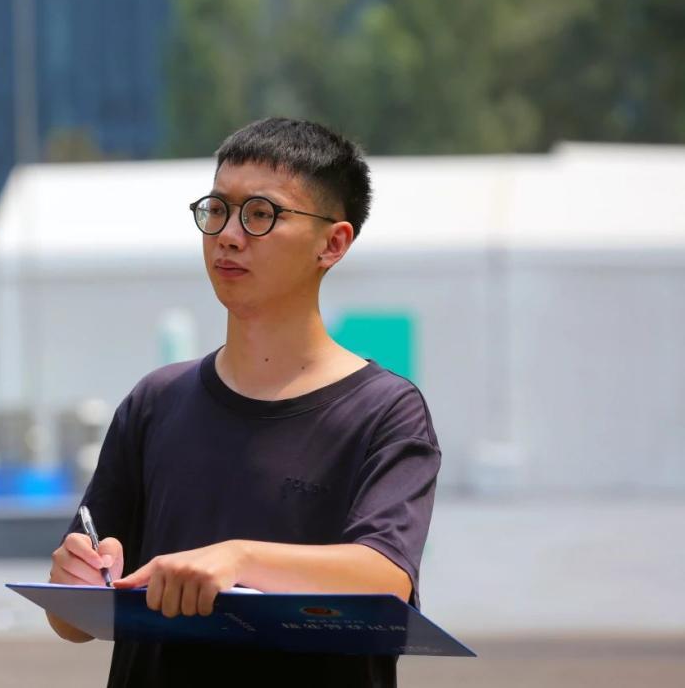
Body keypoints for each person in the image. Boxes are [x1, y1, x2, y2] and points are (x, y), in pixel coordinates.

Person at [46, 117, 442, 687]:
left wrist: (237, 560)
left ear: (333, 243)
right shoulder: (157, 401)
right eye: (217, 210)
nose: (229, 235)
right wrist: (75, 578)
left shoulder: (384, 411)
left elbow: (384, 577)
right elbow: (72, 622)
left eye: (261, 214)